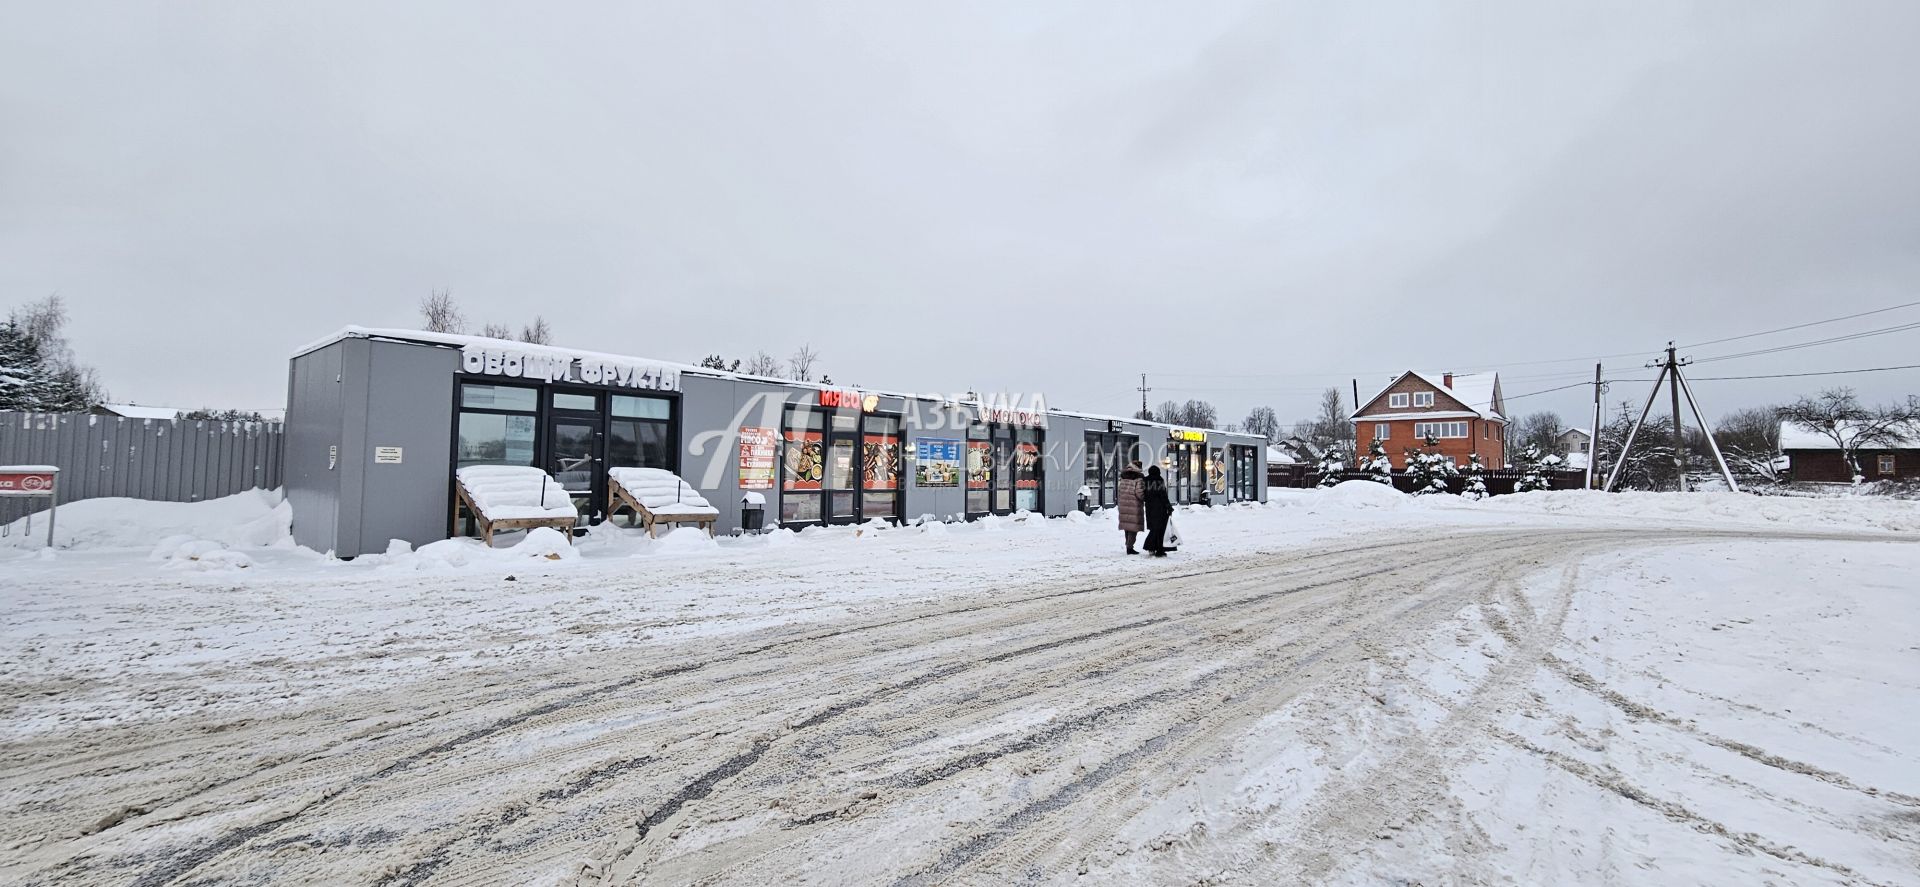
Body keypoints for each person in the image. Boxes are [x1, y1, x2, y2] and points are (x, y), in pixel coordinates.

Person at [1141, 464, 1173, 557]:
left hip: (1149, 508)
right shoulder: (1159, 480)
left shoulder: (1145, 481)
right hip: (1160, 508)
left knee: (1153, 528)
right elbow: (1163, 495)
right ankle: (1158, 549)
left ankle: (1152, 548)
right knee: (1160, 530)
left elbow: (1143, 494)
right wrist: (1168, 507)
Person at [1116, 460, 1145, 554]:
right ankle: (1130, 547)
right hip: (1134, 505)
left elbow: (1119, 490)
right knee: (1133, 527)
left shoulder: (1123, 477)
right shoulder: (1138, 478)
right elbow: (1139, 493)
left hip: (1123, 504)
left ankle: (1128, 545)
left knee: (1127, 526)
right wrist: (1145, 498)